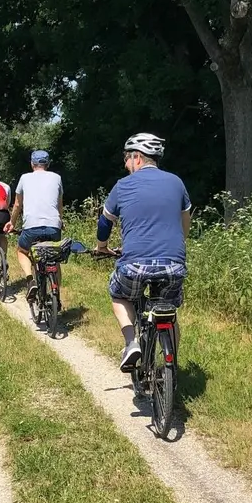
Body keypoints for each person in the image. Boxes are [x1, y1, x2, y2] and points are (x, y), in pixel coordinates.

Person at [98, 133, 189, 372]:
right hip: (174, 263)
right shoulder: (177, 182)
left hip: (134, 264)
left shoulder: (122, 185)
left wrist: (102, 247)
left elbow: (105, 222)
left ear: (137, 158)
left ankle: (131, 343)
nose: (126, 165)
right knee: (168, 310)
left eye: (127, 159)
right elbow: (185, 222)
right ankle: (171, 367)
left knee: (118, 294)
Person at [7, 150, 64, 302]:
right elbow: (59, 205)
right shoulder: (57, 178)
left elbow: (18, 204)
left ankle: (30, 280)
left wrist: (12, 223)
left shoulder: (24, 178)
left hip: (32, 227)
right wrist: (60, 222)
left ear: (32, 164)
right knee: (54, 258)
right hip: (54, 226)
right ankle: (56, 293)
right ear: (48, 164)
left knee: (22, 251)